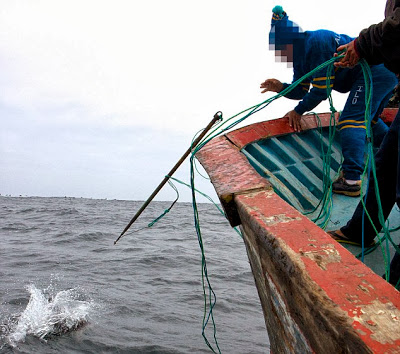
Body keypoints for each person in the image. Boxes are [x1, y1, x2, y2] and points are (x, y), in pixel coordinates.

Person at [261, 6, 398, 197]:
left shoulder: (316, 43)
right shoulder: (301, 60)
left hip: (375, 70)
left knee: (351, 120)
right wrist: (281, 87)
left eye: (281, 46)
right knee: (371, 121)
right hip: (386, 72)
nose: (281, 51)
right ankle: (395, 158)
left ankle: (351, 180)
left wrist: (298, 111)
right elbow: (301, 89)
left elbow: (321, 90)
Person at [329, 0, 400, 286]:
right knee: (387, 160)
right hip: (393, 75)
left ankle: (352, 178)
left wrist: (361, 44)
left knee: (352, 120)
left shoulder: (312, 45)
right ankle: (361, 229)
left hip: (379, 67)